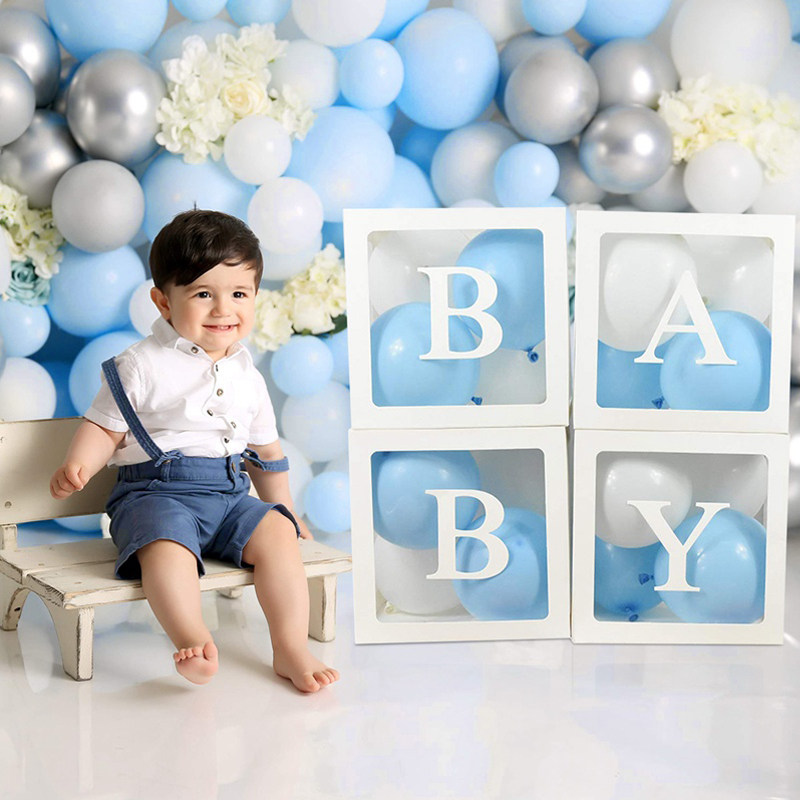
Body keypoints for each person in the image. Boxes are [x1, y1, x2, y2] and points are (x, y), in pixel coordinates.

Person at [49, 209, 339, 693]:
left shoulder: (247, 374)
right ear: (163, 302)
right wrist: (80, 463)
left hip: (229, 495)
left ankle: (290, 647)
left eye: (239, 294)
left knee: (277, 535)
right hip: (155, 495)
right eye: (204, 294)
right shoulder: (142, 364)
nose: (223, 309)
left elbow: (265, 450)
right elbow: (104, 426)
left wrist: (285, 509)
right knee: (166, 546)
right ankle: (193, 637)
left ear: (255, 296)